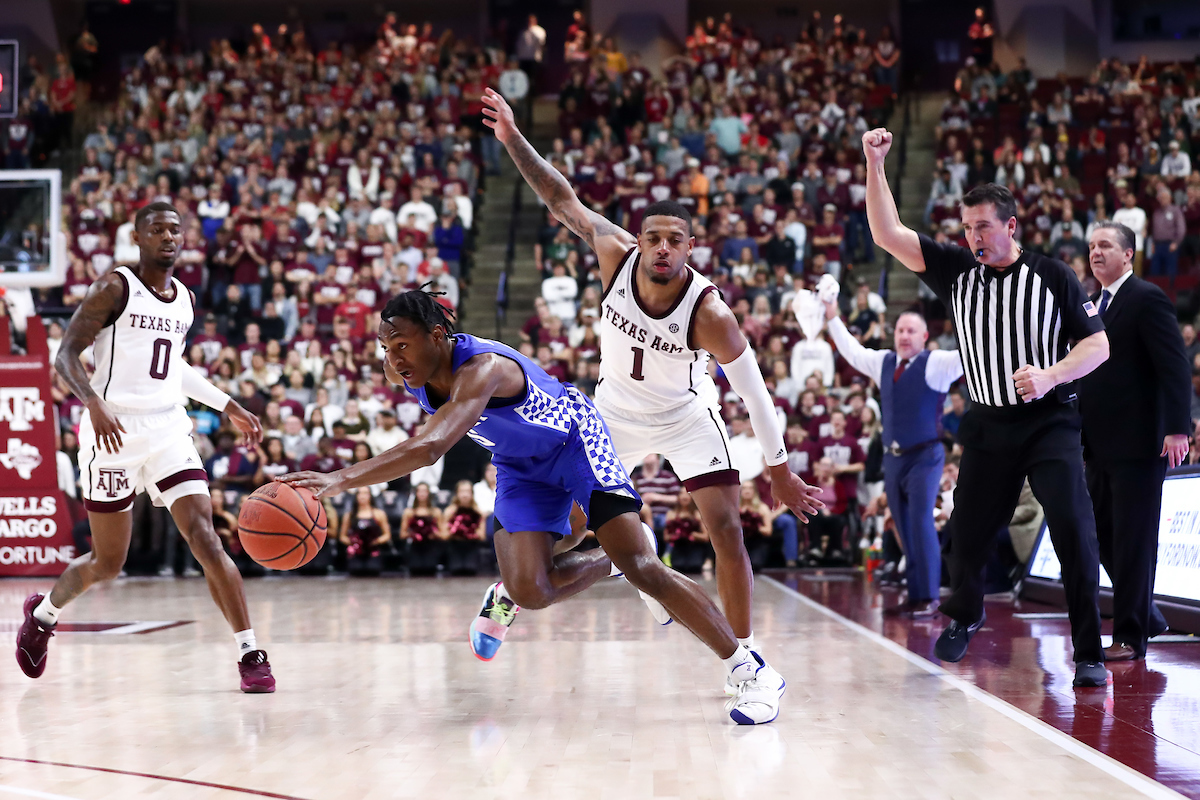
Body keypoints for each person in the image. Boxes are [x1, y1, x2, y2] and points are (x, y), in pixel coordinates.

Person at [278, 290, 789, 724]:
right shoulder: (409, 372)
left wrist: (338, 479)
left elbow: (431, 448)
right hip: (519, 465)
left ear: (438, 336)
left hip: (575, 441)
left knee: (645, 568)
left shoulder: (482, 369)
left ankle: (750, 668)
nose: (393, 358)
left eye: (403, 344)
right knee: (531, 589)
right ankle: (604, 560)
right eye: (386, 347)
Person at [481, 87, 825, 698]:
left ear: (690, 247)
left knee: (727, 527)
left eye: (676, 239)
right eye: (655, 237)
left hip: (688, 417)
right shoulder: (614, 256)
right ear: (640, 240)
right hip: (611, 412)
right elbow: (561, 197)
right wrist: (513, 140)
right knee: (572, 527)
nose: (663, 248)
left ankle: (743, 660)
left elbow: (755, 392)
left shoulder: (710, 312)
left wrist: (777, 469)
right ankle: (511, 589)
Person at [862, 127, 1110, 689]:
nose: (973, 236)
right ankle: (966, 613)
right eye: (967, 227)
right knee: (969, 530)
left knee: (1073, 525)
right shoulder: (956, 271)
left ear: (1011, 227)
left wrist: (1049, 375)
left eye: (983, 227)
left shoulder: (1054, 277)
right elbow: (886, 232)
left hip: (1049, 420)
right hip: (988, 423)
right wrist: (875, 164)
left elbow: (1098, 346)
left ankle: (1089, 650)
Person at [17, 202, 275, 693]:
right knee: (107, 564)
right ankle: (44, 615)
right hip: (112, 432)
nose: (168, 237)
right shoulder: (115, 287)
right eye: (156, 230)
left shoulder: (184, 300)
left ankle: (250, 651)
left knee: (205, 536)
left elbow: (172, 368)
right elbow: (65, 354)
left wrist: (227, 404)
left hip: (166, 429)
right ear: (137, 239)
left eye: (175, 229)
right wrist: (91, 401)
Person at [1079, 222, 1192, 660]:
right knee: (1099, 536)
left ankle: (1129, 635)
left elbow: (1175, 366)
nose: (1096, 252)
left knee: (1132, 541)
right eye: (1091, 246)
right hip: (1098, 445)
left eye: (1105, 245)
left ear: (1129, 255)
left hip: (1140, 444)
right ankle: (1146, 611)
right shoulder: (1091, 306)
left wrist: (1178, 427)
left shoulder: (1146, 298)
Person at [819, 287, 963, 615]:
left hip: (926, 455)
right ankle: (915, 594)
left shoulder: (937, 363)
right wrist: (831, 314)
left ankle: (928, 597)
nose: (904, 336)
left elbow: (971, 352)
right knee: (899, 523)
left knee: (920, 520)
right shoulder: (883, 361)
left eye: (912, 331)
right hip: (893, 459)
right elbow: (851, 351)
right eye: (900, 330)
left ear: (925, 336)